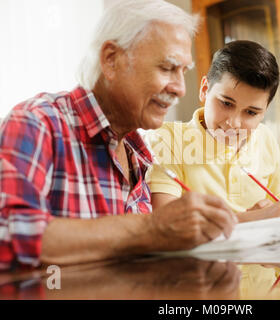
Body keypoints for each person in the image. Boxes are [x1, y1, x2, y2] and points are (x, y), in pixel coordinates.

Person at [0, 0, 237, 269]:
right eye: (167, 68)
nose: (181, 89)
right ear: (111, 59)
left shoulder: (139, 154)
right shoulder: (37, 123)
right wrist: (151, 228)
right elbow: (8, 235)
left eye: (183, 71)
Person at [147, 40, 280, 222]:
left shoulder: (265, 138)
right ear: (204, 90)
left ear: (264, 112)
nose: (234, 123)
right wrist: (252, 218)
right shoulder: (168, 139)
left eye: (251, 112)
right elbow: (165, 223)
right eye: (226, 103)